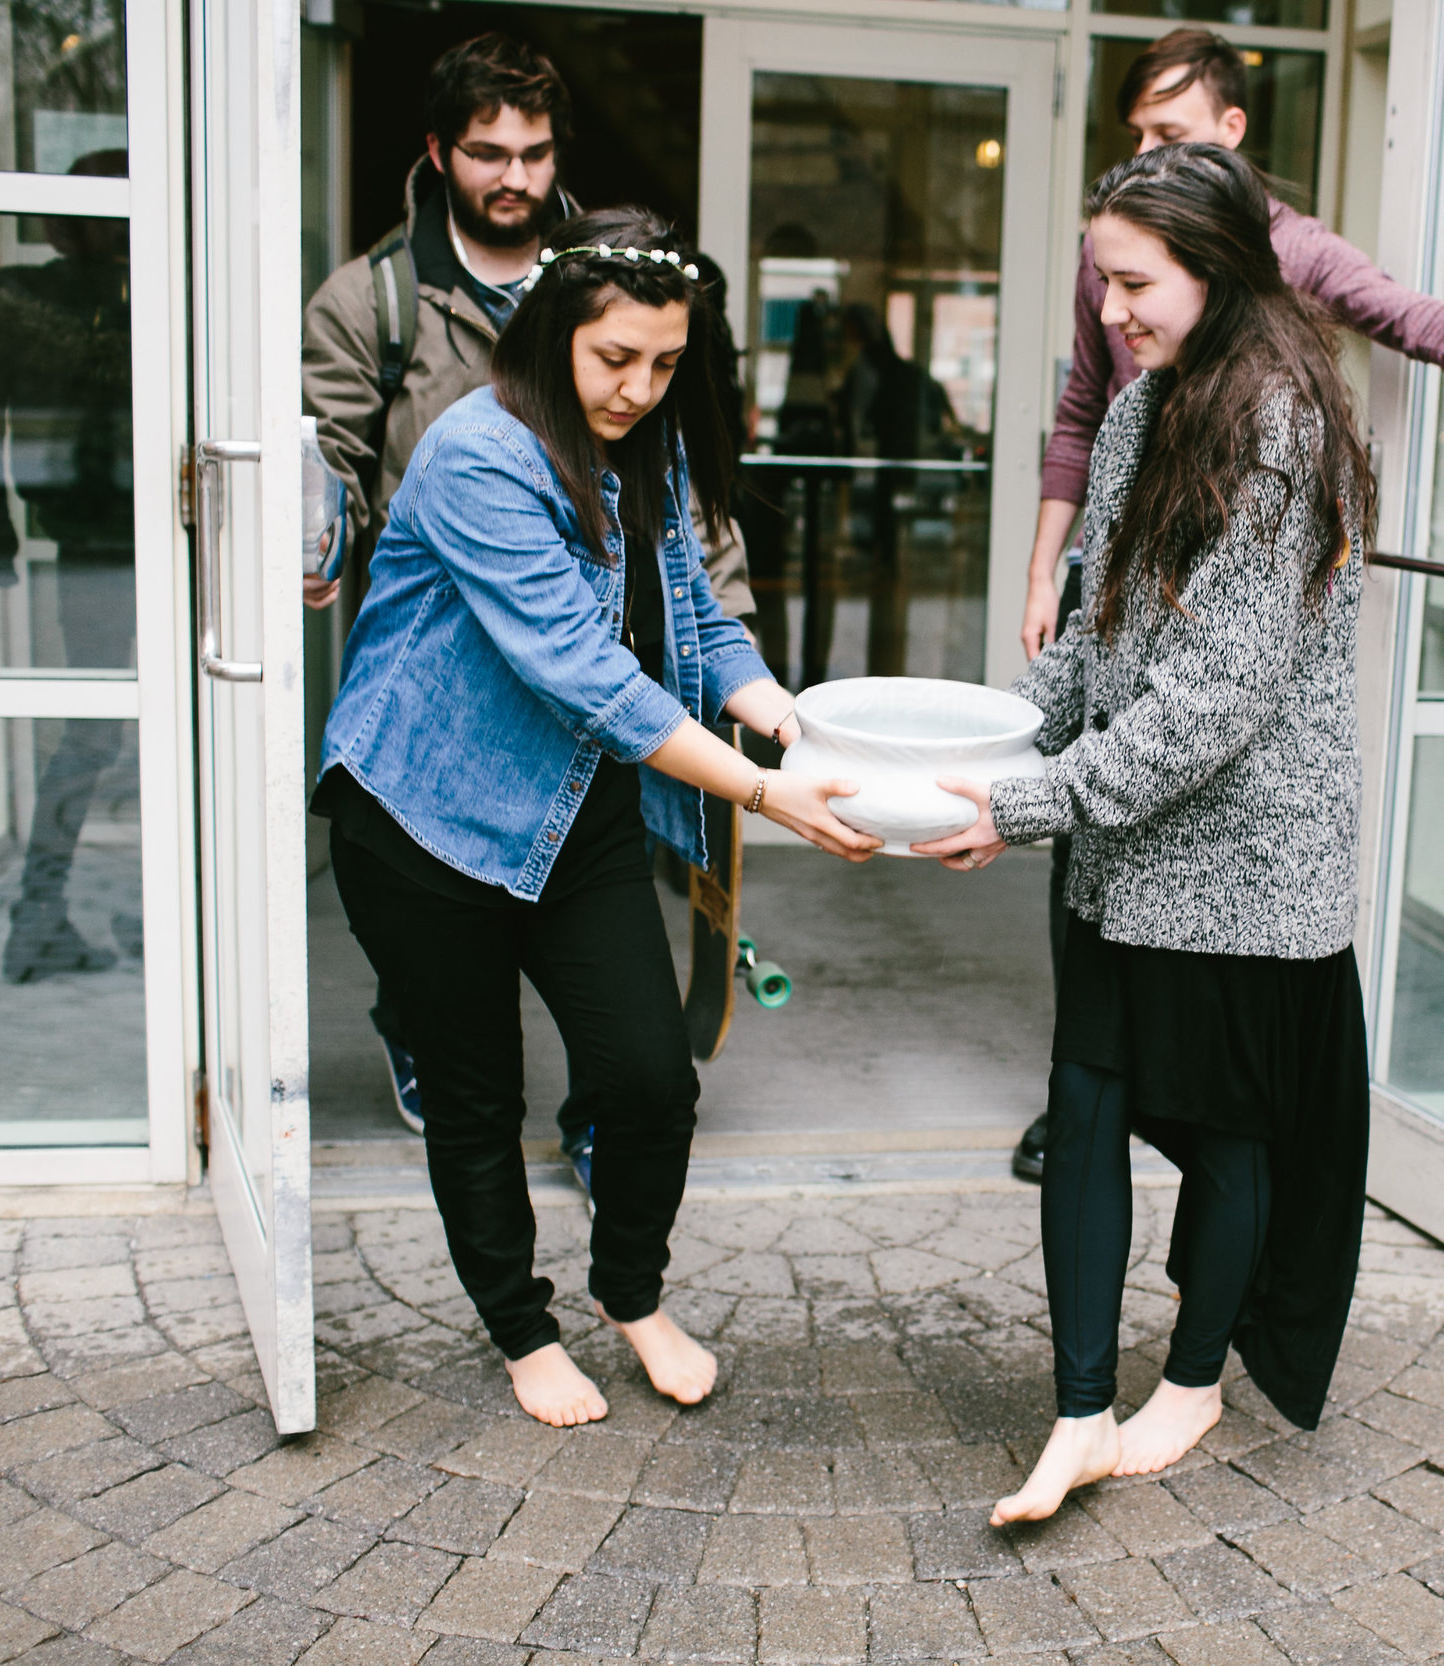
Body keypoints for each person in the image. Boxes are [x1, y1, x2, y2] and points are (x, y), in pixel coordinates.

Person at [1005, 27, 1444, 1182]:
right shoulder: (1111, 259)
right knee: (1084, 866)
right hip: (1114, 570)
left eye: (1168, 133)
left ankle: (1142, 1105)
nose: (1145, 155)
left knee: (1151, 824)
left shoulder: (1283, 274)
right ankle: (1086, 1093)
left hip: (1216, 585)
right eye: (1135, 137)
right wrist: (1044, 571)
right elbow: (1079, 407)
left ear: (1228, 134)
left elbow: (1421, 321)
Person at [314, 207, 880, 1426]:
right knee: (478, 1098)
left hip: (574, 806)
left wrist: (791, 722)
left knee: (647, 1078)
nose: (639, 387)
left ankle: (632, 1292)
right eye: (614, 358)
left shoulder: (652, 450)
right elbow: (583, 670)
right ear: (553, 333)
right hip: (423, 813)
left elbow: (691, 622)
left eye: (666, 363)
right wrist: (762, 790)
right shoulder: (478, 454)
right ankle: (523, 1333)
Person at [919, 144, 1381, 1520]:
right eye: (1103, 279)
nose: (1111, 308)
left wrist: (1026, 803)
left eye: (1135, 281)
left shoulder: (1285, 429)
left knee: (1229, 1140)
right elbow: (1092, 635)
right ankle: (1075, 1409)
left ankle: (1189, 1376)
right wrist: (996, 747)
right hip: (1124, 851)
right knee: (1086, 1107)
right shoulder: (1139, 412)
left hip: (1246, 864)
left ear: (1219, 269)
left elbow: (1205, 712)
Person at [303, 35, 754, 1162]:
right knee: (460, 976)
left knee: (609, 956)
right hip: (462, 684)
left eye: (535, 152)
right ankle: (428, 1022)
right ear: (437, 153)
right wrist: (312, 532)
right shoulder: (376, 301)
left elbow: (681, 524)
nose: (514, 176)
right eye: (487, 152)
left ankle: (604, 1128)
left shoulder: (625, 283)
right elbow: (330, 454)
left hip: (599, 690)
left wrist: (738, 672)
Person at [0, 148, 140, 982]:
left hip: (88, 541)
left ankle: (43, 910)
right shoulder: (152, 300)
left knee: (96, 733)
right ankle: (58, 913)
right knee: (161, 727)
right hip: (132, 540)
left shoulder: (28, 304)